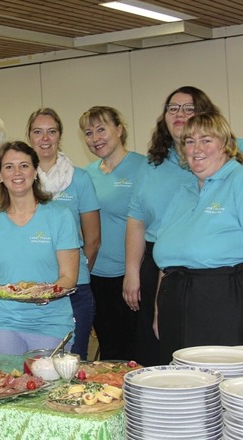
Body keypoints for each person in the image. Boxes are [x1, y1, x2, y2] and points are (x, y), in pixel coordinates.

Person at [124, 86, 221, 366]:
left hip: (209, 265)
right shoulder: (151, 163)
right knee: (157, 342)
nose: (179, 114)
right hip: (159, 262)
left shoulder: (226, 155)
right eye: (173, 108)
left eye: (188, 108)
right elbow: (136, 220)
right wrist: (132, 273)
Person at [0, 141, 79, 355]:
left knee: (48, 387)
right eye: (9, 167)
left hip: (51, 323)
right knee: (5, 387)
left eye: (24, 165)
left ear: (35, 172)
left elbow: (68, 277)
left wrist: (43, 294)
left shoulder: (60, 215)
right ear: (0, 175)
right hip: (5, 324)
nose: (17, 172)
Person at [153, 112, 243, 363]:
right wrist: (159, 310)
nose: (196, 148)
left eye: (206, 140)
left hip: (223, 301)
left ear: (225, 144)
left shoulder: (238, 180)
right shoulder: (184, 191)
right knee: (183, 385)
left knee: (218, 384)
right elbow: (165, 258)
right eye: (189, 141)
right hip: (175, 301)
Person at [27, 108, 100, 360]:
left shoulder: (80, 179)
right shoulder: (21, 179)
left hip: (74, 288)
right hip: (32, 286)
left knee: (72, 360)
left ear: (60, 136)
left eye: (51, 131)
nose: (45, 138)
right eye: (38, 132)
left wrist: (74, 272)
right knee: (35, 362)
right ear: (29, 137)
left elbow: (92, 239)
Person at [79, 106, 147, 361]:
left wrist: (135, 274)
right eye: (88, 132)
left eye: (101, 129)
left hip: (131, 276)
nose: (95, 138)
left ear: (119, 130)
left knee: (135, 352)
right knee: (108, 353)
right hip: (95, 275)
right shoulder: (88, 174)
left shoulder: (144, 167)